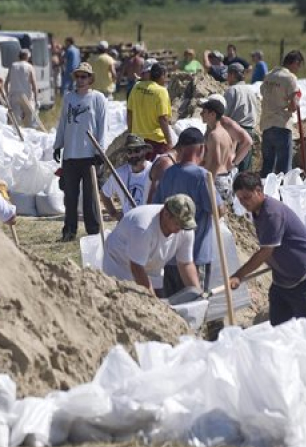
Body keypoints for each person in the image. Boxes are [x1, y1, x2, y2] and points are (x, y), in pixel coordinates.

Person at [229, 171, 306, 329]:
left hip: (305, 276)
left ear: (259, 191)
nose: (244, 203)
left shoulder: (272, 212)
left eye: (247, 197)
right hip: (282, 280)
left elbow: (266, 251)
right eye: (240, 199)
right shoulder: (256, 212)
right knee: (280, 329)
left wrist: (239, 276)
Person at [151, 127, 224, 296]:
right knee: (195, 306)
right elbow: (218, 209)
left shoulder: (168, 174)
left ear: (181, 148)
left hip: (169, 257)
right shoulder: (202, 176)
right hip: (196, 256)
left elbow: (157, 207)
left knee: (172, 311)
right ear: (201, 148)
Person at [103, 194, 201, 296]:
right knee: (128, 300)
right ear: (166, 214)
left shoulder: (185, 229)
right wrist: (153, 303)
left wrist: (197, 294)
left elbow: (186, 264)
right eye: (177, 223)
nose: (180, 228)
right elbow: (136, 267)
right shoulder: (144, 228)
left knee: (158, 298)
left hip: (151, 265)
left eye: (184, 225)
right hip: (120, 263)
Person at [53, 62, 108, 242]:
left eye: (84, 76)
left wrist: (101, 150)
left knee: (89, 197)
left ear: (90, 79)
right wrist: (57, 145)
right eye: (77, 76)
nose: (80, 80)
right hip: (70, 154)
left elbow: (102, 125)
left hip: (90, 155)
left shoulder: (98, 98)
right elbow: (62, 123)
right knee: (70, 196)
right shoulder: (69, 98)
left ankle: (93, 230)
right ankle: (69, 231)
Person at [259, 50, 304, 177]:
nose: (298, 69)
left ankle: (264, 192)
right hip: (282, 124)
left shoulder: (269, 75)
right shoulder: (289, 78)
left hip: (266, 125)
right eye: (299, 65)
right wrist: (289, 108)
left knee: (267, 166)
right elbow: (294, 105)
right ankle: (281, 194)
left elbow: (263, 93)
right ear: (295, 62)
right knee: (283, 168)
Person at [128, 63, 173, 161]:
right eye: (165, 76)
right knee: (155, 172)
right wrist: (170, 142)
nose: (166, 80)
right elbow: (163, 119)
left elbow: (129, 112)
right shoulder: (161, 91)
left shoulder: (137, 87)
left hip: (138, 139)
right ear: (162, 75)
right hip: (156, 142)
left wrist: (130, 132)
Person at [101, 135, 152, 221]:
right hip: (128, 222)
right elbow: (104, 194)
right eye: (129, 151)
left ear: (144, 151)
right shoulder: (119, 174)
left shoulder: (153, 170)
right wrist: (114, 213)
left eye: (137, 150)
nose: (133, 154)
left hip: (148, 221)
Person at [198, 96, 235, 204]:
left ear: (213, 114)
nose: (201, 114)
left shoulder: (214, 135)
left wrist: (209, 183)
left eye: (204, 112)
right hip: (225, 178)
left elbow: (216, 162)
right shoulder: (225, 134)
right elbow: (228, 161)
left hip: (216, 180)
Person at [223, 62, 259, 169]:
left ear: (233, 75)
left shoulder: (232, 90)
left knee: (232, 168)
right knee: (245, 169)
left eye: (228, 75)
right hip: (249, 132)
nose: (227, 78)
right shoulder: (251, 91)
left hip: (235, 133)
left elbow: (224, 114)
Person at [4, 49, 39, 127]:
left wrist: (7, 96)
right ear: (27, 57)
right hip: (27, 97)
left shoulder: (13, 66)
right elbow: (34, 84)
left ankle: (15, 136)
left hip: (14, 96)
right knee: (29, 120)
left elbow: (6, 83)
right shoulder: (29, 67)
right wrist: (36, 100)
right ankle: (28, 135)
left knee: (15, 122)